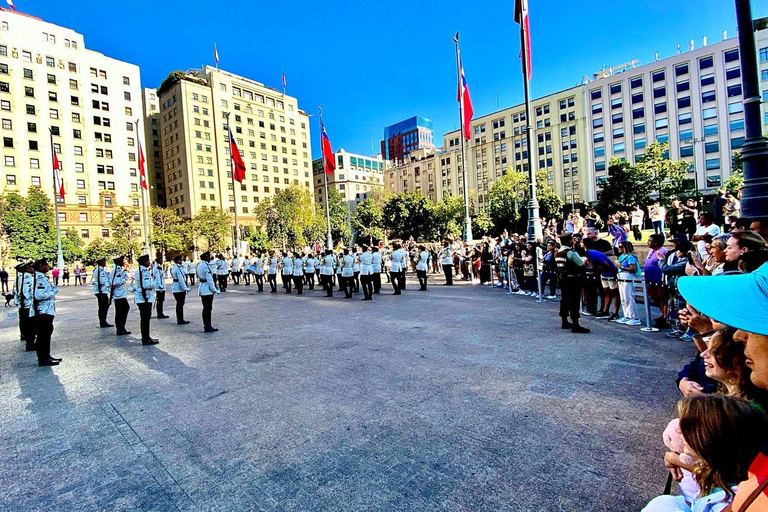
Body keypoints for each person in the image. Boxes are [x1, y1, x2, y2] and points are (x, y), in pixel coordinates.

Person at [643, 395, 768, 512]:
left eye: (689, 427)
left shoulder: (723, 503)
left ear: (714, 439)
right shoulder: (725, 477)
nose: (678, 430)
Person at [28, 258, 61, 366]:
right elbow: (39, 295)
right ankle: (43, 359)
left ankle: (46, 355)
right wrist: (53, 292)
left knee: (46, 334)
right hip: (43, 311)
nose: (47, 266)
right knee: (43, 335)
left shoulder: (41, 277)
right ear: (41, 267)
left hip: (46, 310)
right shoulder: (39, 279)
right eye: (45, 265)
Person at [555, 233, 590, 334]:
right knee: (574, 301)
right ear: (569, 241)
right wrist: (584, 259)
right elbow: (580, 263)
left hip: (563, 279)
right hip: (573, 279)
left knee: (564, 300)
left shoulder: (558, 252)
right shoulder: (570, 252)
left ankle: (564, 321)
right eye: (571, 239)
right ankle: (576, 324)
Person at [645, 234, 670, 329]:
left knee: (662, 297)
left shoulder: (663, 251)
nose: (647, 242)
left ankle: (665, 316)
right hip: (650, 279)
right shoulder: (651, 251)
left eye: (650, 240)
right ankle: (663, 313)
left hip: (659, 280)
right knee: (653, 296)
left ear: (656, 242)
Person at [133, 255, 159, 346]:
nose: (149, 262)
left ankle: (146, 337)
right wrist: (155, 283)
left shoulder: (139, 271)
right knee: (145, 319)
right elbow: (146, 285)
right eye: (148, 261)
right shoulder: (144, 272)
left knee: (145, 319)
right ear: (144, 262)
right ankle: (145, 339)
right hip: (144, 298)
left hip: (142, 298)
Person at [615, 241, 642, 326]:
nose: (619, 248)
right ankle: (627, 315)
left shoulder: (630, 257)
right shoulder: (621, 256)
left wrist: (622, 267)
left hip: (628, 276)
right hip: (621, 276)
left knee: (629, 297)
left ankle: (634, 317)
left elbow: (633, 269)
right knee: (623, 298)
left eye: (621, 247)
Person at [14, 262, 35, 351]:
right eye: (31, 267)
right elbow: (25, 292)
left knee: (25, 322)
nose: (33, 269)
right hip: (28, 304)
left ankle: (26, 338)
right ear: (28, 269)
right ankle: (30, 343)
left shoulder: (21, 277)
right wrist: (33, 299)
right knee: (30, 325)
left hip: (23, 304)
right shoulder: (27, 278)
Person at [197, 251, 219, 332]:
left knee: (205, 308)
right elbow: (210, 279)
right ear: (206, 257)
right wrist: (214, 290)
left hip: (202, 288)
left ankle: (206, 325)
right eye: (209, 257)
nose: (210, 258)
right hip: (207, 289)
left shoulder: (200, 265)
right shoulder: (206, 266)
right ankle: (208, 326)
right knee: (208, 308)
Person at [110, 256, 131, 336]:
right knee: (120, 311)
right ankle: (120, 328)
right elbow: (114, 282)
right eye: (122, 261)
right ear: (118, 262)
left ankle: (121, 327)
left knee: (124, 309)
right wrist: (123, 280)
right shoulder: (115, 271)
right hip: (118, 294)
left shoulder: (119, 270)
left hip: (121, 293)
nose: (124, 262)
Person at [91, 257, 112, 328]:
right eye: (104, 262)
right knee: (103, 307)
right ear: (102, 263)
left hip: (101, 291)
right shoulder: (100, 270)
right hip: (101, 291)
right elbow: (102, 281)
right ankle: (103, 322)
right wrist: (109, 284)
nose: (105, 263)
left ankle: (103, 321)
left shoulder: (99, 270)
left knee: (104, 306)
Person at [170, 254, 190, 325]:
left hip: (175, 287)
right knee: (180, 304)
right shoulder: (178, 268)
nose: (181, 261)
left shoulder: (174, 267)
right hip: (179, 288)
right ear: (177, 261)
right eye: (180, 259)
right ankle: (180, 319)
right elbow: (181, 279)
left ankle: (180, 318)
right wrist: (185, 288)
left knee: (179, 304)